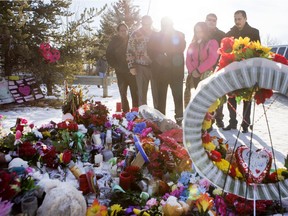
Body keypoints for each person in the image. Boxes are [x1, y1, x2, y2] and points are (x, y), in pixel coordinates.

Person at [223, 10, 261, 133]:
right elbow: (225, 51)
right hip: (233, 69)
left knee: (247, 97)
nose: (237, 21)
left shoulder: (254, 32)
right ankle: (232, 122)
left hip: (248, 70)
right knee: (231, 97)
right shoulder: (229, 33)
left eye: (239, 19)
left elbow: (258, 51)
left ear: (245, 18)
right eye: (235, 19)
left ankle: (245, 124)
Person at [148, 16, 186, 125]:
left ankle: (179, 120)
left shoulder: (179, 35)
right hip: (160, 73)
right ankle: (161, 120)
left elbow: (180, 48)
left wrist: (164, 52)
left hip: (176, 72)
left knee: (178, 97)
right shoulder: (155, 36)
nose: (166, 26)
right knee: (160, 98)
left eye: (168, 24)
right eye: (164, 24)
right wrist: (161, 56)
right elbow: (150, 51)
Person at [184, 22, 219, 108]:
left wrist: (199, 70)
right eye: (196, 32)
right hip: (195, 76)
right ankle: (198, 119)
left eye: (200, 31)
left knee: (207, 100)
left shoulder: (212, 42)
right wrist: (193, 71)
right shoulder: (192, 44)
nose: (198, 34)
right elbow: (188, 59)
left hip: (206, 76)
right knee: (197, 99)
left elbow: (212, 59)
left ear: (205, 31)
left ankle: (208, 120)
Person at [106, 22, 138, 112]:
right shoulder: (114, 41)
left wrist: (135, 66)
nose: (123, 32)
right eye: (121, 30)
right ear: (118, 32)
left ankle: (136, 111)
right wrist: (116, 66)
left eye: (125, 30)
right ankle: (125, 111)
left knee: (135, 93)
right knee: (123, 93)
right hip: (120, 72)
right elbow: (108, 55)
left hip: (132, 71)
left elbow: (137, 53)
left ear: (128, 31)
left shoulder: (132, 40)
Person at [126, 15, 158, 108]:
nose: (146, 26)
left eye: (148, 24)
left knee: (156, 94)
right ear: (141, 23)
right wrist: (131, 66)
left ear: (151, 23)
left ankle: (158, 116)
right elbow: (129, 50)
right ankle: (144, 117)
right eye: (144, 24)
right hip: (140, 67)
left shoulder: (156, 34)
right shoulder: (135, 34)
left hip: (154, 67)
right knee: (141, 94)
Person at [205, 13, 226, 128]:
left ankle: (219, 118)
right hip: (204, 69)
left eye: (214, 20)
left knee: (219, 95)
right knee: (207, 96)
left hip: (218, 68)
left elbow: (224, 51)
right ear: (206, 20)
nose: (212, 22)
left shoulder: (221, 34)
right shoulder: (202, 33)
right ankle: (208, 120)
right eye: (209, 20)